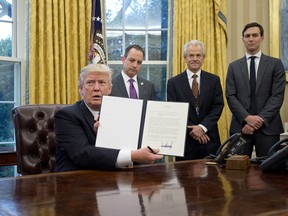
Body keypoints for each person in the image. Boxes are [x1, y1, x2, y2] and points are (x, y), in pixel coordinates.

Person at [55, 63, 162, 172]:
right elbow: (82, 154)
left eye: (102, 83)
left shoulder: (123, 114)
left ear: (110, 89)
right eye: (90, 83)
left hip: (115, 178)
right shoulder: (66, 115)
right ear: (81, 89)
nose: (96, 88)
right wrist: (132, 155)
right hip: (75, 180)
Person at [226, 22, 286, 158]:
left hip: (268, 128)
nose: (251, 39)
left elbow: (277, 96)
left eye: (255, 35)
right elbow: (230, 96)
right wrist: (247, 118)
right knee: (238, 174)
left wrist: (257, 121)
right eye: (247, 36)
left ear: (262, 37)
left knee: (269, 174)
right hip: (241, 128)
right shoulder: (233, 67)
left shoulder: (275, 64)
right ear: (243, 39)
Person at [167, 40, 224, 160]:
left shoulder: (214, 80)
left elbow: (217, 106)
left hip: (209, 140)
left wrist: (202, 127)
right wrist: (194, 131)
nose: (194, 58)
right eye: (191, 55)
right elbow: (174, 112)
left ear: (203, 58)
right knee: (184, 178)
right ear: (185, 58)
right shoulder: (173, 83)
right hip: (185, 143)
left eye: (198, 55)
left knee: (212, 178)